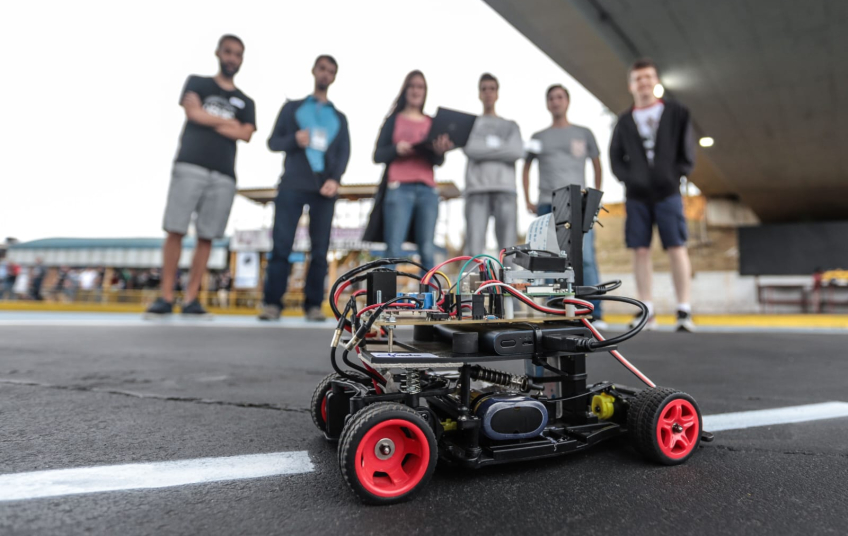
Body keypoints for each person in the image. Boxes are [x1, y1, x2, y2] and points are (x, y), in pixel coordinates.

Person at [146, 35, 256, 317]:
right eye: (228, 52)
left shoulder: (246, 101)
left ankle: (192, 298)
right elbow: (192, 114)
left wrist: (207, 116)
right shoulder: (197, 82)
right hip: (190, 165)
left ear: (242, 60)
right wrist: (227, 121)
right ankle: (166, 296)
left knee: (207, 236)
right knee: (176, 229)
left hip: (224, 174)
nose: (232, 58)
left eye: (238, 54)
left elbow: (245, 133)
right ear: (219, 53)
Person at [259, 55, 351, 321]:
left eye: (331, 71)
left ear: (334, 77)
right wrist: (294, 139)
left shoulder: (339, 118)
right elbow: (273, 142)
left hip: (324, 188)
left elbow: (344, 153)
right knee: (282, 246)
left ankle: (313, 305)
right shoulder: (293, 109)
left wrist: (335, 179)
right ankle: (272, 303)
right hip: (292, 184)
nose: (326, 74)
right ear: (314, 71)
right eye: (322, 69)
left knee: (320, 249)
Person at [609, 58, 696, 332]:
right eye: (638, 79)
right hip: (636, 196)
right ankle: (647, 310)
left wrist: (675, 174)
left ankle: (683, 310)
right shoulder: (624, 121)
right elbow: (615, 158)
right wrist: (630, 178)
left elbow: (687, 150)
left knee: (676, 246)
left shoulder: (676, 112)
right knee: (640, 250)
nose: (643, 83)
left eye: (648, 77)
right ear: (631, 85)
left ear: (656, 81)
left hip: (668, 192)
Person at [523, 84, 606, 329]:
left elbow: (597, 164)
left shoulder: (584, 133)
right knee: (550, 260)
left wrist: (595, 197)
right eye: (551, 98)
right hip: (547, 204)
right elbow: (526, 166)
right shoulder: (538, 137)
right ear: (547, 104)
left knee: (586, 257)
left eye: (560, 97)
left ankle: (594, 311)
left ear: (567, 101)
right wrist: (528, 197)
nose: (556, 101)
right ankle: (554, 310)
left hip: (577, 204)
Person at [363, 70, 454, 272]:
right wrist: (396, 149)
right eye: (412, 86)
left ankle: (430, 300)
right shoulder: (393, 121)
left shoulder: (432, 123)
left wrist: (440, 149)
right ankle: (386, 301)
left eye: (420, 86)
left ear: (425, 91)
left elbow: (437, 161)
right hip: (398, 189)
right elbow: (377, 155)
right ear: (405, 89)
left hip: (427, 191)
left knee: (427, 249)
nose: (416, 90)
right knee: (394, 247)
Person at [462, 73, 523, 257]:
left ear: (497, 93)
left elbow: (516, 151)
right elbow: (470, 149)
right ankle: (473, 287)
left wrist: (485, 149)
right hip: (476, 191)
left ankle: (507, 287)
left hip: (505, 190)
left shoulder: (511, 125)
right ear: (479, 94)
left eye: (492, 89)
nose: (488, 93)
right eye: (484, 89)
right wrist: (501, 148)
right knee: (474, 249)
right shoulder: (470, 124)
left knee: (508, 250)